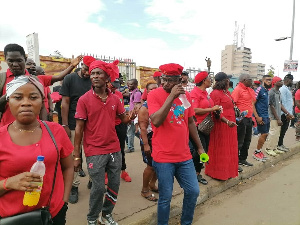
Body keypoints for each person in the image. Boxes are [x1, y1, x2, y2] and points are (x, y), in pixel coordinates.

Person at [0, 76, 73, 225]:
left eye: (33, 97)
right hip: (13, 219)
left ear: (42, 101)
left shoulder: (56, 131)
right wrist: (8, 183)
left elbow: (68, 167)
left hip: (53, 214)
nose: (26, 103)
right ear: (9, 101)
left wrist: (64, 200)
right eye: (18, 97)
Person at [73, 60, 136, 225]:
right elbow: (79, 129)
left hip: (114, 149)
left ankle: (107, 215)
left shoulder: (115, 99)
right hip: (94, 150)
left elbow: (123, 119)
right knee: (99, 187)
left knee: (114, 185)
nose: (94, 76)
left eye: (98, 73)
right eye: (92, 73)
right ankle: (92, 218)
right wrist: (76, 156)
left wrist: (131, 118)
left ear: (107, 76)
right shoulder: (84, 100)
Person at [147, 63, 204, 225]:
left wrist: (199, 147)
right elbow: (156, 121)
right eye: (163, 79)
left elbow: (191, 122)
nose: (164, 83)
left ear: (179, 80)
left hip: (184, 155)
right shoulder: (154, 95)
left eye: (169, 80)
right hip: (163, 157)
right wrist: (171, 96)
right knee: (165, 197)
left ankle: (186, 222)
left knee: (193, 191)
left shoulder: (185, 97)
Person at [0, 43, 82, 127]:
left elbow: (42, 106)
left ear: (25, 59)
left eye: (19, 60)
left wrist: (44, 127)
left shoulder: (35, 80)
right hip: (6, 130)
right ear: (6, 60)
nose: (15, 64)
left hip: (33, 130)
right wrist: (8, 95)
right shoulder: (1, 79)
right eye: (10, 61)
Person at [60, 55, 95, 204]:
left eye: (92, 71)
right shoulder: (70, 79)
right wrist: (65, 125)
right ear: (82, 66)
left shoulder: (95, 80)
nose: (89, 73)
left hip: (91, 126)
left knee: (93, 155)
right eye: (87, 70)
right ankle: (74, 186)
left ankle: (93, 180)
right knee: (74, 156)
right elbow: (65, 103)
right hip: (74, 124)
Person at [205, 72, 239, 180]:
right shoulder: (215, 94)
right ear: (224, 81)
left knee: (229, 148)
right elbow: (216, 111)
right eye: (227, 80)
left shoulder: (226, 92)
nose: (229, 81)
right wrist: (226, 121)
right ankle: (218, 173)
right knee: (221, 148)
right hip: (221, 125)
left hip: (230, 124)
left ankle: (228, 171)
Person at [190, 71, 221, 185]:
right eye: (209, 79)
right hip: (197, 126)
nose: (210, 80)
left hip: (206, 126)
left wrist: (216, 110)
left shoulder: (205, 93)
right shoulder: (195, 93)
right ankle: (195, 174)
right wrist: (212, 109)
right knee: (200, 151)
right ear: (204, 81)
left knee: (203, 150)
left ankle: (195, 172)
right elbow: (194, 110)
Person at [138, 80, 159, 202]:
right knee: (150, 166)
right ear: (147, 91)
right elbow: (143, 128)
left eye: (156, 88)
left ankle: (152, 184)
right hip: (149, 139)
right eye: (151, 89)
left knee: (157, 165)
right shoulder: (144, 108)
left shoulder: (159, 104)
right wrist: (146, 145)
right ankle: (145, 190)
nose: (154, 90)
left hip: (158, 138)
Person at [108, 79, 132, 182]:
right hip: (107, 126)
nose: (114, 87)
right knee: (107, 150)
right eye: (112, 85)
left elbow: (121, 109)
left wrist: (128, 116)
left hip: (120, 124)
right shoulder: (102, 94)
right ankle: (105, 173)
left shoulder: (118, 94)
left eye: (116, 85)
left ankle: (123, 171)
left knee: (121, 148)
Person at [231, 74, 255, 168]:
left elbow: (251, 102)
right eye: (250, 79)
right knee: (239, 141)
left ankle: (242, 159)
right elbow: (233, 104)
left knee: (247, 140)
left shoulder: (249, 90)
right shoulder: (238, 90)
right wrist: (238, 118)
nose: (252, 81)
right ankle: (235, 162)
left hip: (249, 118)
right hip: (241, 119)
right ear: (244, 80)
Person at [265, 77, 292, 156]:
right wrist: (277, 118)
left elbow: (280, 105)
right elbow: (272, 106)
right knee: (273, 132)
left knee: (277, 133)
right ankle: (268, 148)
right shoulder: (271, 92)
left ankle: (274, 148)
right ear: (275, 82)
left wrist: (287, 113)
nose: (282, 82)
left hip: (278, 116)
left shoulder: (278, 92)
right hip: (274, 116)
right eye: (280, 81)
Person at [277, 74, 294, 151]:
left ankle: (281, 144)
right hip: (284, 114)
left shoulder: (287, 89)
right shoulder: (283, 89)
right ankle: (278, 145)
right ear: (288, 80)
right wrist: (287, 114)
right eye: (291, 80)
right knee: (281, 130)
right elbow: (282, 102)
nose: (292, 82)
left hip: (287, 114)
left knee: (284, 130)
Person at [126, 78, 142, 153]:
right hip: (132, 115)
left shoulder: (137, 93)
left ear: (135, 85)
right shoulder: (132, 92)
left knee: (130, 132)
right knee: (135, 132)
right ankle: (145, 140)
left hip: (133, 116)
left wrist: (132, 116)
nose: (129, 86)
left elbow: (136, 106)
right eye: (128, 84)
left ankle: (130, 147)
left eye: (131, 84)